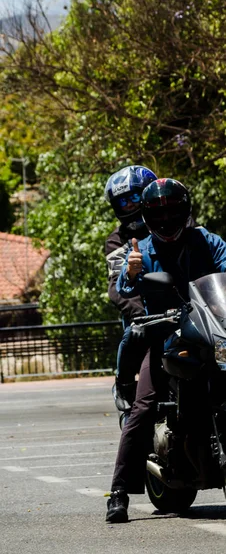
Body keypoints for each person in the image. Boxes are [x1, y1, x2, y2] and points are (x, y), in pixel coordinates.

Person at [106, 177, 226, 523]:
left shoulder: (207, 240)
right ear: (146, 216)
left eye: (173, 211)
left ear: (185, 210)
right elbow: (125, 286)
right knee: (143, 407)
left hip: (210, 331)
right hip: (164, 337)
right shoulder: (141, 249)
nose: (166, 219)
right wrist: (131, 273)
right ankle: (118, 493)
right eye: (158, 213)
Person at [104, 165, 157, 427]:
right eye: (122, 201)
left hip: (186, 308)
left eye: (134, 198)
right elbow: (116, 287)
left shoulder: (181, 223)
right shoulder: (117, 240)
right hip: (145, 315)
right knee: (135, 332)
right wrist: (141, 315)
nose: (129, 206)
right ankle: (124, 384)